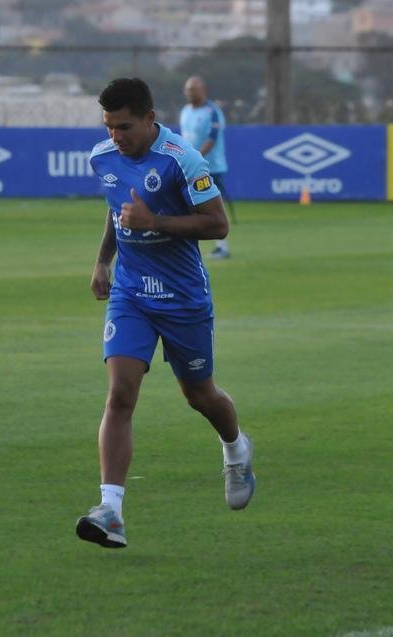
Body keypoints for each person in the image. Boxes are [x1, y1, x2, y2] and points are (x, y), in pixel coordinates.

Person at [76, 77, 254, 549]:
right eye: (109, 126)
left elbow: (218, 224)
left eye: (125, 126)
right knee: (120, 394)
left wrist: (154, 222)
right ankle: (110, 510)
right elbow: (119, 210)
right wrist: (102, 260)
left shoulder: (182, 159)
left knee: (200, 395)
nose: (116, 136)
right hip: (131, 295)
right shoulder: (102, 158)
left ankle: (235, 448)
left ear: (150, 119)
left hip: (182, 298)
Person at [178, 75, 233, 258]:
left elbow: (213, 138)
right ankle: (189, 247)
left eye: (193, 90)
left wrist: (196, 158)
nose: (190, 94)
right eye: (188, 90)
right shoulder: (185, 111)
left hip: (211, 166)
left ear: (203, 90)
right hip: (187, 167)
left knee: (210, 205)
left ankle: (222, 247)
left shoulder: (213, 111)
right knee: (187, 206)